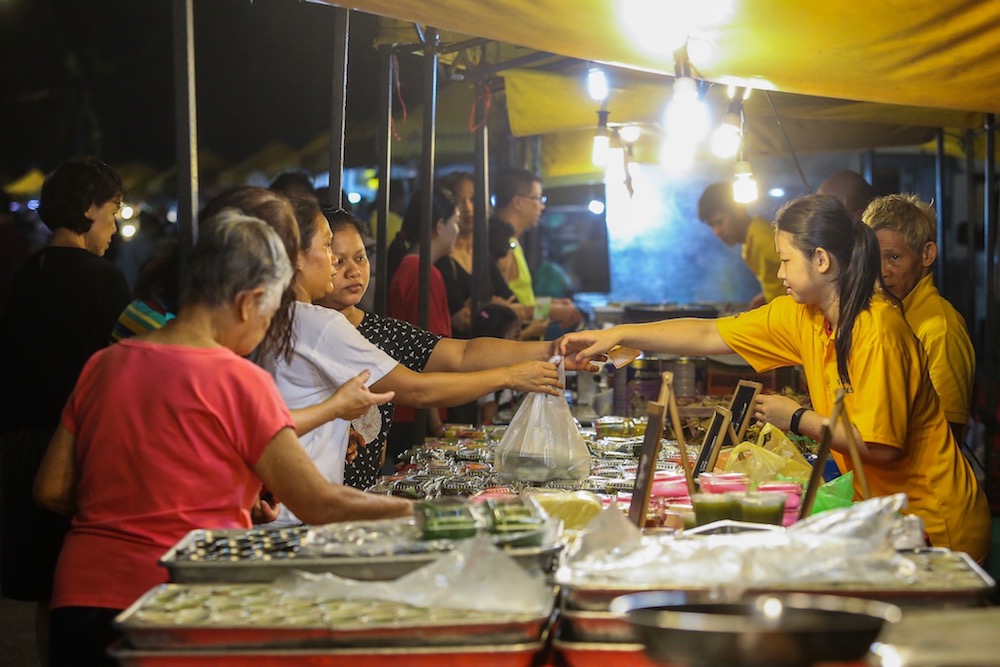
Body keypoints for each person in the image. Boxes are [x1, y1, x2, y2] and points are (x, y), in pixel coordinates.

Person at [33, 212, 412, 667]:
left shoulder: (104, 364)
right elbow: (320, 505)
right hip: (177, 602)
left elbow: (51, 489)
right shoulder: (238, 380)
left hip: (79, 595)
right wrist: (418, 514)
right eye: (270, 314)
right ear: (250, 301)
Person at [560, 194, 990, 561]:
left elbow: (880, 448)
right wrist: (618, 333)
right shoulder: (804, 313)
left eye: (786, 260)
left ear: (821, 260)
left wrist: (797, 416)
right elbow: (710, 333)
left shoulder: (876, 329)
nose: (779, 273)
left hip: (934, 520)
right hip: (884, 511)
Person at [294, 207, 571, 491]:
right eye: (335, 257)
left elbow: (461, 354)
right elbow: (418, 390)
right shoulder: (317, 325)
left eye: (360, 258)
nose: (352, 271)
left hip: (349, 494)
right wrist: (510, 376)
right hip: (313, 498)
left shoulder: (378, 330)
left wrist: (552, 349)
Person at [0, 156, 131, 659]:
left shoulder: (27, 273)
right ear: (89, 208)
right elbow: (133, 354)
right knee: (83, 579)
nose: (116, 226)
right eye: (113, 212)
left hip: (18, 447)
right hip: (72, 447)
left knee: (44, 587)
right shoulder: (103, 278)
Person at [862, 194, 975, 443]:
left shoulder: (940, 330)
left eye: (893, 258)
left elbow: (948, 436)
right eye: (873, 258)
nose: (880, 272)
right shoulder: (885, 314)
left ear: (926, 254)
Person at [492, 167, 582, 334]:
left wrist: (553, 304)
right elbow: (504, 311)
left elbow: (523, 301)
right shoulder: (502, 249)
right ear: (518, 202)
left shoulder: (514, 244)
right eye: (538, 198)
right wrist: (549, 310)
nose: (542, 206)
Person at [696, 182, 783, 308]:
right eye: (711, 226)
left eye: (719, 222)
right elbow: (778, 282)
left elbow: (803, 275)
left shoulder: (762, 237)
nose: (717, 232)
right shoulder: (749, 242)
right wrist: (764, 297)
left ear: (738, 210)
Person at [471, 303, 523, 424]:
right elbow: (489, 421)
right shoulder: (491, 378)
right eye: (516, 336)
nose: (521, 341)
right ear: (497, 340)